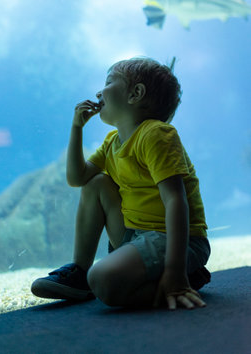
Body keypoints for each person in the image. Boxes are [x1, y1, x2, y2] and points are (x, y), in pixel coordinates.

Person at [31, 57, 211, 311]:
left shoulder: (156, 134)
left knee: (103, 281)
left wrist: (175, 269)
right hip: (136, 234)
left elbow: (175, 201)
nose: (98, 92)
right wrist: (76, 128)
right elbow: (77, 179)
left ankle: (182, 280)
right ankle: (80, 272)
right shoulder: (112, 142)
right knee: (96, 184)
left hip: (178, 240)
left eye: (108, 82)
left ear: (135, 94)